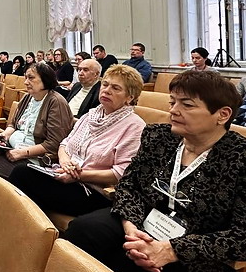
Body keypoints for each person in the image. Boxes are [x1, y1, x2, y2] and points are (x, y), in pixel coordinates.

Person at [64, 71, 246, 272]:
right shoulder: (160, 137)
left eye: (187, 105)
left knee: (109, 262)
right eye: (172, 102)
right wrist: (131, 229)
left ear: (222, 115)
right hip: (144, 228)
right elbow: (130, 186)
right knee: (82, 231)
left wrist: (172, 249)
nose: (174, 111)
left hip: (193, 256)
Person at [10, 65, 145, 218]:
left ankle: (23, 224)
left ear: (130, 97)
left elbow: (120, 173)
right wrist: (65, 162)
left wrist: (78, 175)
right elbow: (64, 144)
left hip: (93, 189)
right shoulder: (91, 115)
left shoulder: (135, 126)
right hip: (64, 174)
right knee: (22, 174)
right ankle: (26, 224)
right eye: (105, 84)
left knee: (23, 177)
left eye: (116, 88)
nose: (107, 90)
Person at [0, 62, 73, 209]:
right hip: (12, 146)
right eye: (25, 77)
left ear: (45, 80)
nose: (26, 82)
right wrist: (5, 135)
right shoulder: (28, 97)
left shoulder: (56, 102)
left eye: (31, 78)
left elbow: (54, 143)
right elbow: (13, 124)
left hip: (33, 157)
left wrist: (22, 153)